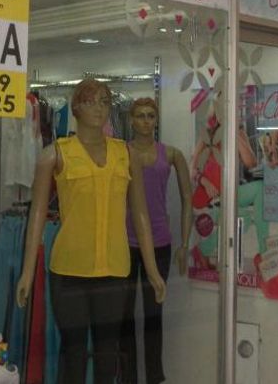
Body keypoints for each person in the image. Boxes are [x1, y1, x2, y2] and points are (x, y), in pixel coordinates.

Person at [15, 79, 166, 384]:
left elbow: (140, 214)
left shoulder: (127, 154)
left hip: (114, 270)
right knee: (73, 353)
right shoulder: (54, 154)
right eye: (90, 101)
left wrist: (152, 269)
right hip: (69, 270)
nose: (99, 108)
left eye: (105, 101)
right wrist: (27, 272)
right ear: (75, 108)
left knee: (107, 354)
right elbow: (37, 216)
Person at [119, 98, 191, 384]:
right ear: (131, 120)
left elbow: (187, 199)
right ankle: (127, 378)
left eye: (151, 115)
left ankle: (154, 377)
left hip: (160, 241)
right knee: (123, 315)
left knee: (153, 314)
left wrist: (185, 244)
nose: (146, 121)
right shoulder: (120, 153)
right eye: (140, 115)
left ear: (156, 120)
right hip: (125, 242)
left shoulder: (171, 154)